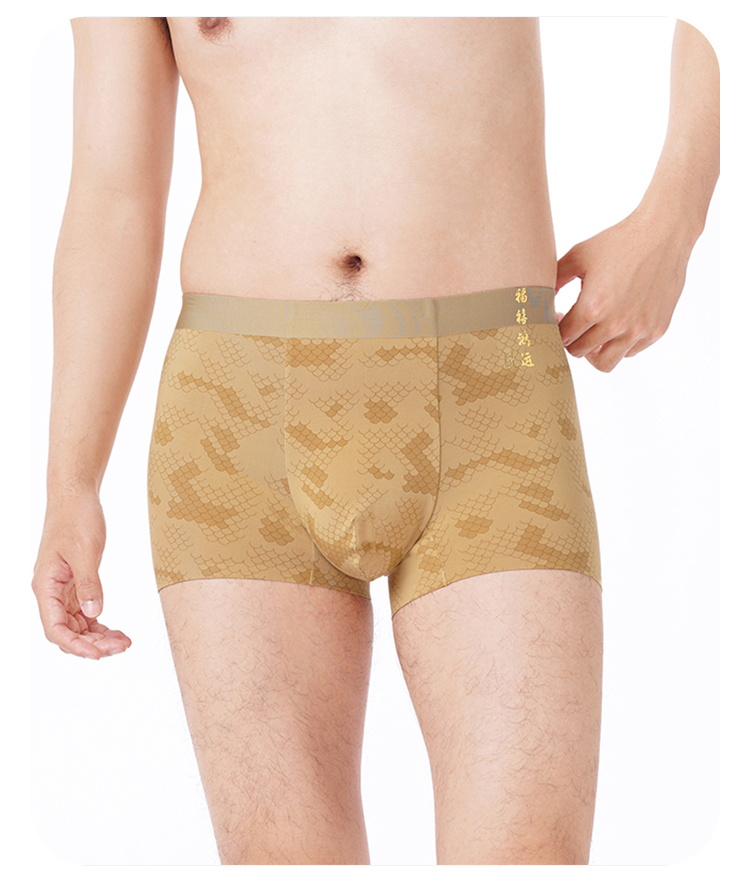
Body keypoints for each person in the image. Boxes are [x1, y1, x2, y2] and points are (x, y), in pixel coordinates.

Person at [31, 17, 719, 865]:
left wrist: (674, 216)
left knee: (529, 858)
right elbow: (114, 195)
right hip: (237, 421)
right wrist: (71, 482)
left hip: (493, 398)